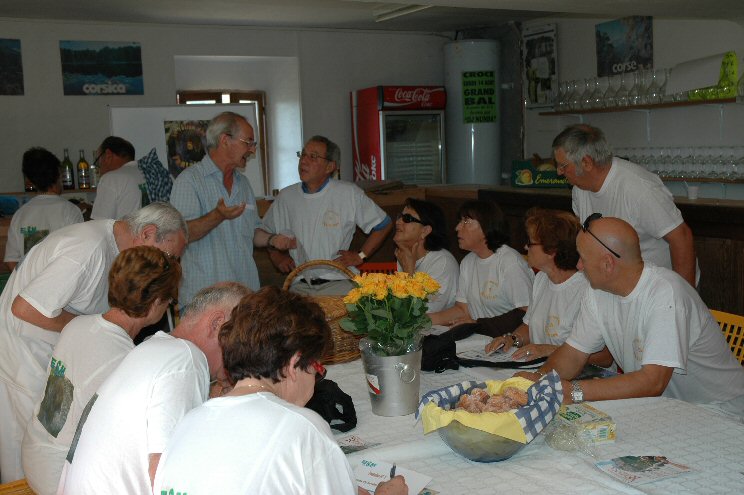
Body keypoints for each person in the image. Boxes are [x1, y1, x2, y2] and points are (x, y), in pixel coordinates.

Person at [153, 286, 407, 495]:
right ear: (295, 365)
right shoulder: (301, 427)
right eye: (317, 368)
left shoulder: (190, 422)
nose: (315, 381)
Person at [0, 201, 187, 484]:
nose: (170, 265)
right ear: (148, 233)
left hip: (52, 357)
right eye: (171, 256)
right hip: (23, 359)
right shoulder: (88, 249)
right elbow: (25, 308)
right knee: (26, 466)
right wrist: (94, 330)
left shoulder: (114, 250)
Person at [519, 215, 744, 416]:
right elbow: (573, 354)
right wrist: (537, 380)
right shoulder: (597, 291)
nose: (578, 266)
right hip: (666, 409)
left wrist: (574, 391)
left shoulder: (666, 294)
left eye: (583, 259)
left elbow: (653, 381)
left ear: (608, 264)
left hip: (721, 412)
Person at [59, 282, 251, 495]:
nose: (242, 353)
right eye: (241, 339)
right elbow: (163, 475)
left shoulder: (153, 347)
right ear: (217, 323)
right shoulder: (186, 359)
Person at [22, 246, 181, 495]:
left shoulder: (78, 324)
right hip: (60, 475)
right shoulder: (124, 358)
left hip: (34, 452)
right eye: (170, 300)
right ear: (155, 302)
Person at [170, 111, 293, 306]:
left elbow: (253, 231)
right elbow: (182, 234)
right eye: (248, 142)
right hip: (206, 302)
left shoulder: (243, 184)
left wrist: (272, 239)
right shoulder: (189, 181)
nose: (252, 150)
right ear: (225, 140)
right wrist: (218, 216)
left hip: (245, 297)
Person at [553, 123, 697, 287]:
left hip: (659, 288)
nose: (559, 172)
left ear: (586, 162)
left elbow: (681, 237)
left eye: (563, 166)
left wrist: (684, 294)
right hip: (619, 287)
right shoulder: (580, 189)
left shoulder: (638, 188)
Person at [260, 135, 392, 295]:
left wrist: (360, 255)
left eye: (313, 156)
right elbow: (264, 232)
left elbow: (383, 224)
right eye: (303, 154)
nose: (304, 161)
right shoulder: (286, 196)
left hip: (339, 281)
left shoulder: (348, 193)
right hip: (300, 282)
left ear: (330, 166)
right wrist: (276, 255)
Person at [485, 208, 611, 364]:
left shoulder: (588, 288)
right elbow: (529, 326)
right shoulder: (542, 278)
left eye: (530, 243)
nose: (525, 247)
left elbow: (605, 358)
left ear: (551, 250)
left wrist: (549, 350)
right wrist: (512, 339)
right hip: (543, 368)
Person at [430, 200, 534, 328]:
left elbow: (526, 314)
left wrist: (479, 325)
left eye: (466, 221)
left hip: (506, 337)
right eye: (460, 221)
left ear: (486, 226)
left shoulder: (510, 262)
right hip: (478, 334)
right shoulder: (468, 262)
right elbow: (462, 310)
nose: (457, 227)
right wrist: (422, 321)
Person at [4, 147, 83, 271]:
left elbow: (11, 260)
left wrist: (25, 280)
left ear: (29, 181)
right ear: (58, 175)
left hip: (30, 282)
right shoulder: (70, 210)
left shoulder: (20, 214)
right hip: (63, 280)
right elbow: (79, 254)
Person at [393, 197, 458, 312]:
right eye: (400, 217)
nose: (398, 222)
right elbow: (399, 305)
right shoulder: (405, 254)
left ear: (425, 230)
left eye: (407, 218)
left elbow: (425, 311)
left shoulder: (442, 262)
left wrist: (408, 272)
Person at [90, 136, 147, 220]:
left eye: (98, 162)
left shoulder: (111, 178)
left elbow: (99, 223)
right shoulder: (145, 173)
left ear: (108, 155)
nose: (99, 168)